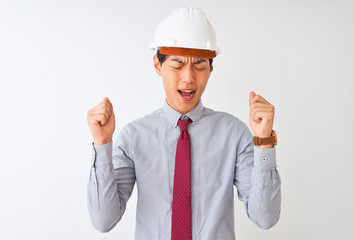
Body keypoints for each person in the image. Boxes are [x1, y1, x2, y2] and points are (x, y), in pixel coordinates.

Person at [86, 6, 281, 240]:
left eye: (199, 65)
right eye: (178, 65)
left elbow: (265, 218)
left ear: (211, 68)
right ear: (158, 66)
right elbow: (103, 221)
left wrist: (265, 143)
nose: (188, 78)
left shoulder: (235, 135)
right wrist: (102, 142)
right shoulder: (133, 137)